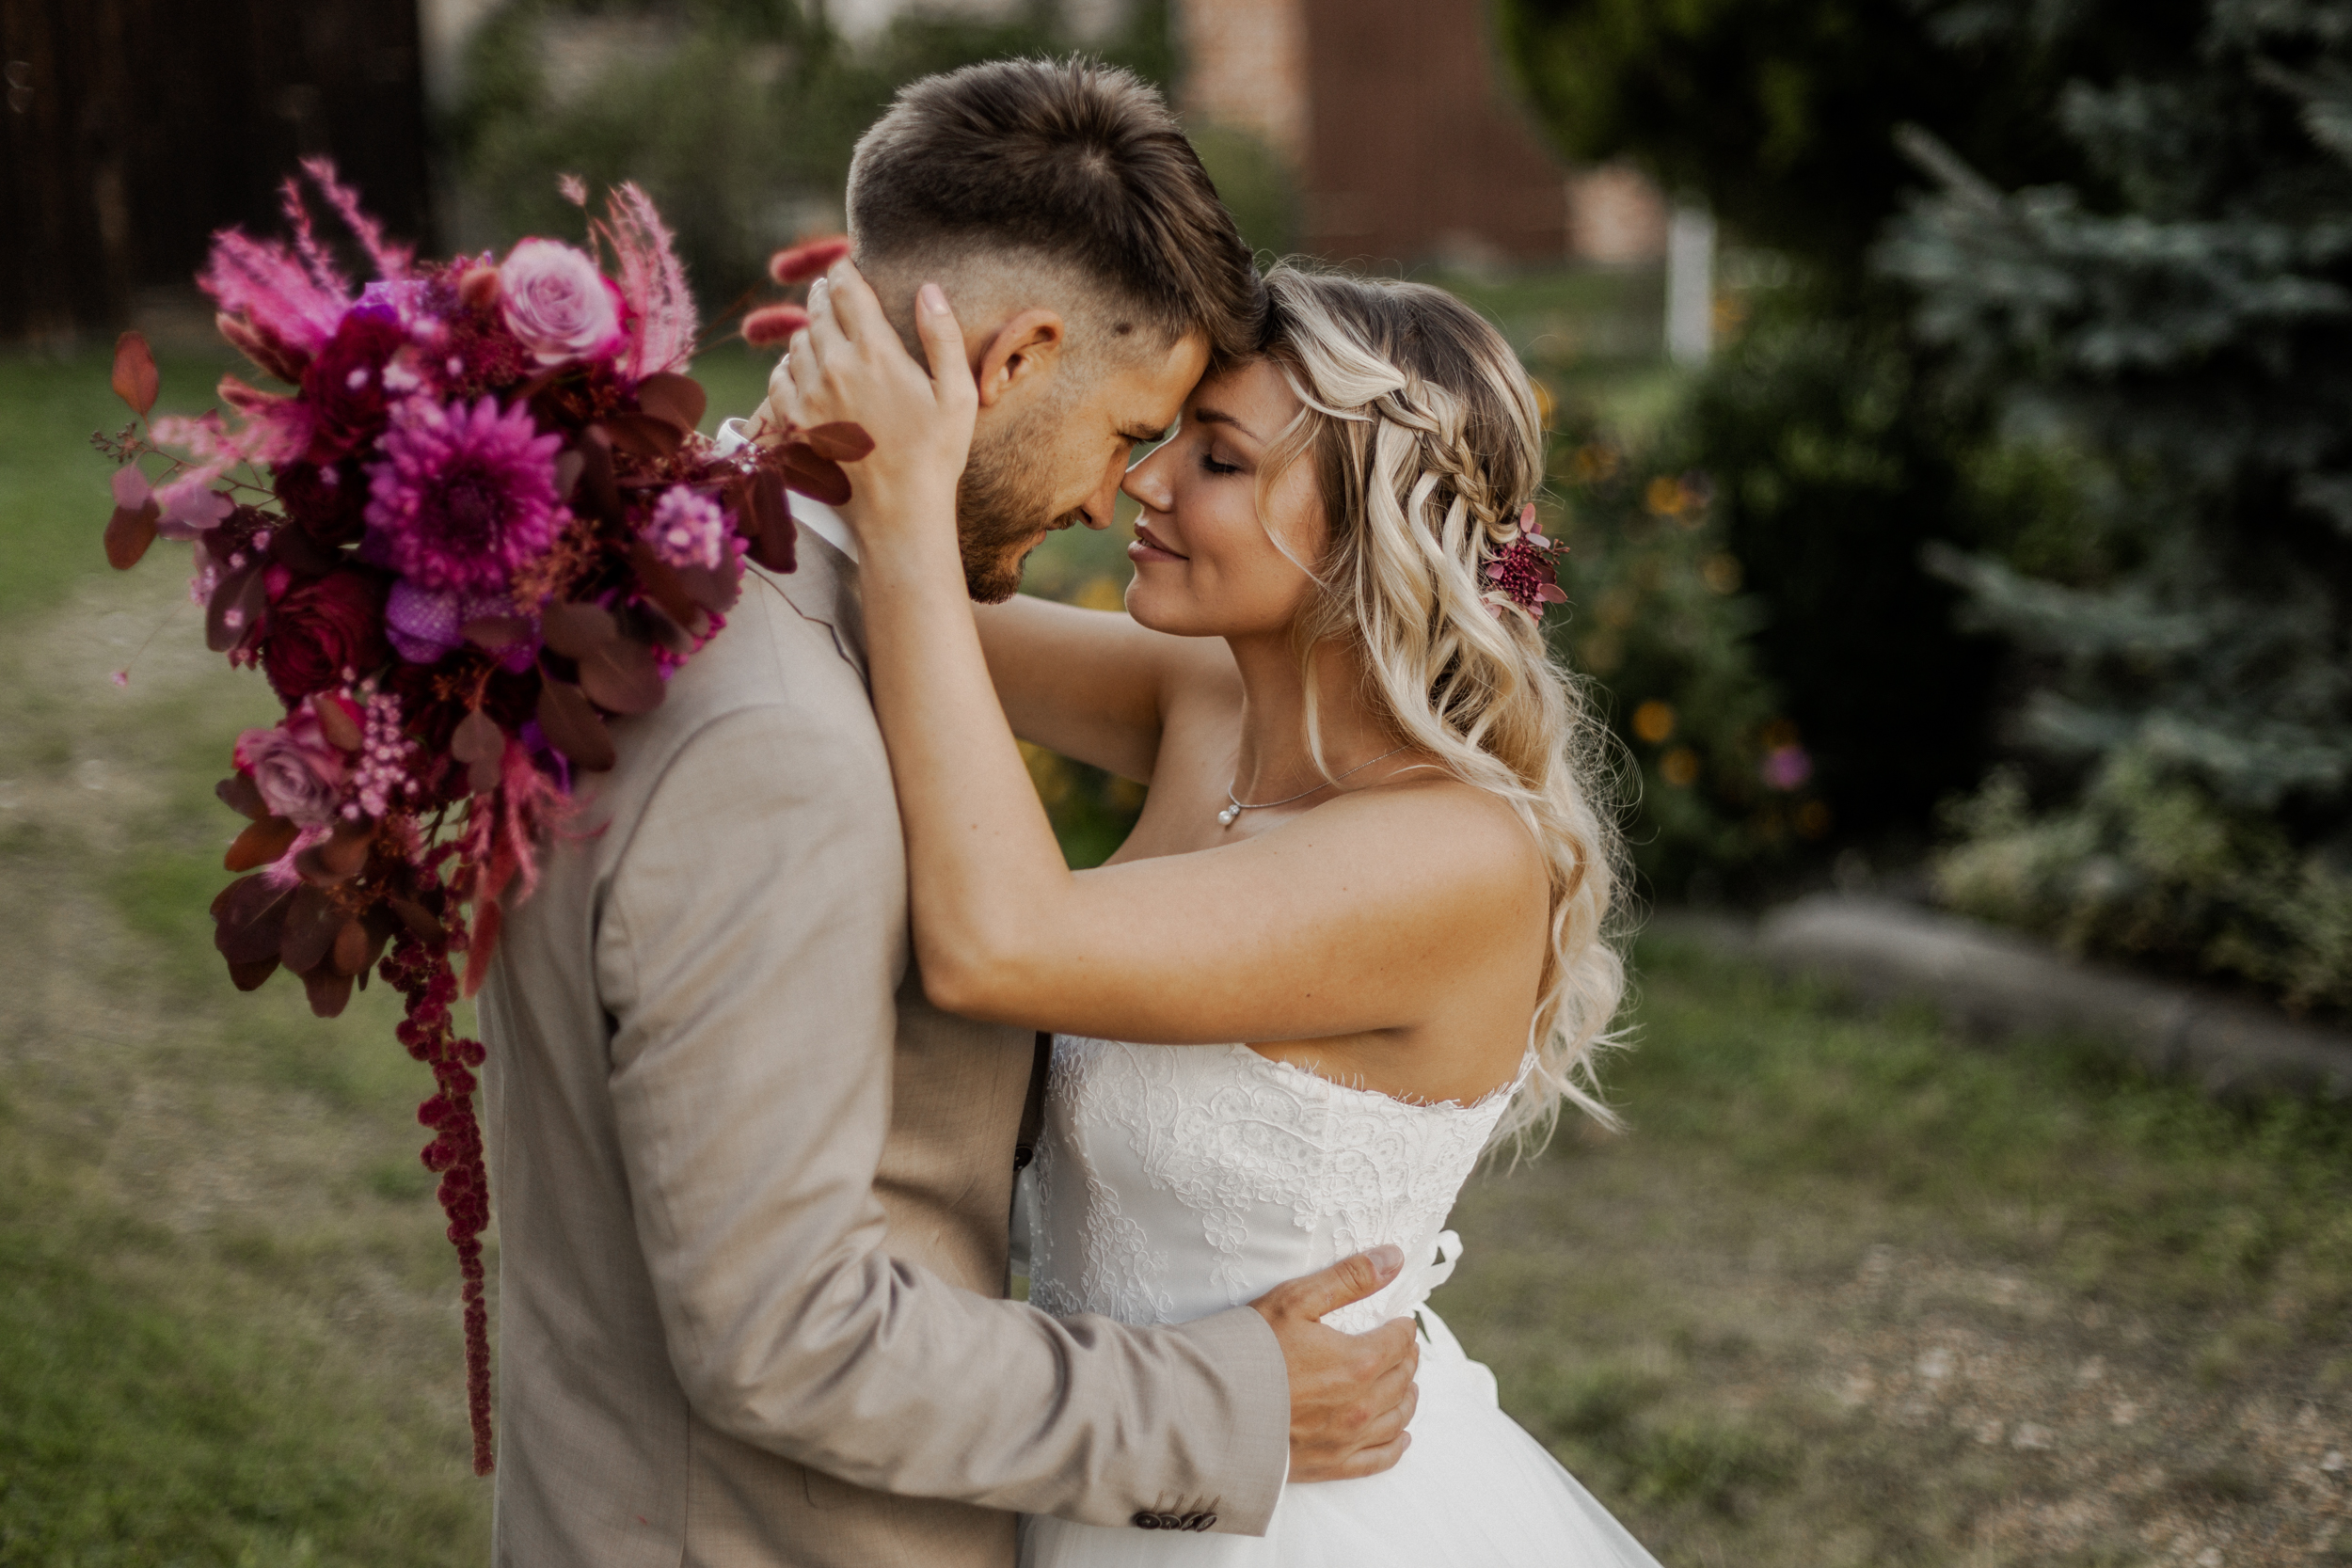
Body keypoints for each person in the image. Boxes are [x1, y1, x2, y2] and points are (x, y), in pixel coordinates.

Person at [479, 60, 1420, 1567]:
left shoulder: (676, 582)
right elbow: (786, 1335)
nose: (1124, 498)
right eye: (1131, 433)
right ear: (1017, 357)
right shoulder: (775, 744)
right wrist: (1230, 1402)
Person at [766, 254, 1664, 1565]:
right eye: (1168, 437)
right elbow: (860, 610)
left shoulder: (1451, 857)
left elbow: (995, 942)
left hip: (1297, 1515)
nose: (1145, 480)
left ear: (1371, 523)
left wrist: (907, 508)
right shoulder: (1212, 703)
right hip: (1115, 1461)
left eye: (1222, 461)